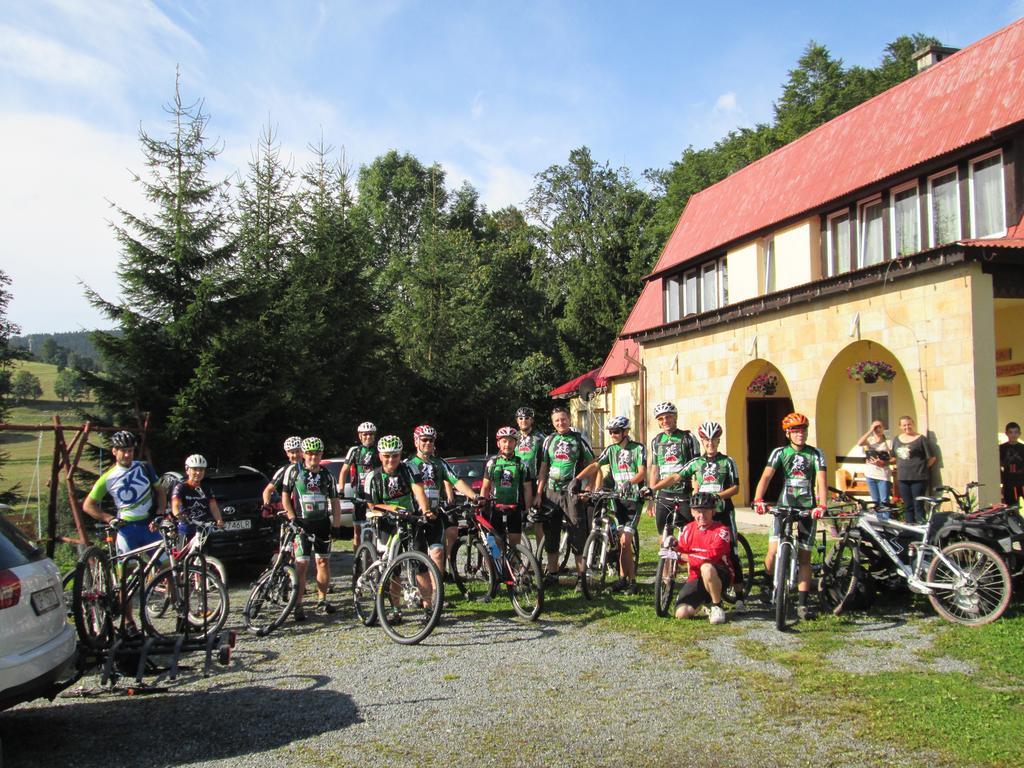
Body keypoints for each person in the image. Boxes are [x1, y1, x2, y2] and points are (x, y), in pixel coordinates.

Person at [651, 420, 744, 606]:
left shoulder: (727, 461)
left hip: (722, 511)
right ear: (702, 441)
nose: (711, 444)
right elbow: (676, 476)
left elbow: (735, 487)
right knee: (698, 550)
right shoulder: (696, 463)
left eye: (714, 440)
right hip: (704, 514)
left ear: (719, 441)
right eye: (707, 441)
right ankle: (699, 589)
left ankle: (740, 595)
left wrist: (718, 496)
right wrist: (653, 488)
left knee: (732, 551)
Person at [753, 412, 827, 621]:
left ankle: (803, 604)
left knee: (805, 557)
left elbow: (821, 481)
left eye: (802, 430)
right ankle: (768, 581)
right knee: (773, 550)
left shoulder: (816, 454)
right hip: (785, 505)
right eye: (795, 431)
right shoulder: (780, 452)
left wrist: (822, 504)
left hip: (807, 507)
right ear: (788, 433)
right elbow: (767, 476)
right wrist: (759, 499)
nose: (800, 434)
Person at [575, 416, 645, 593]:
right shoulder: (611, 450)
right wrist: (577, 479)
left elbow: (642, 472)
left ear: (625, 432)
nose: (613, 435)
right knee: (621, 542)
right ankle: (622, 579)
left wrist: (630, 482)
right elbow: (596, 465)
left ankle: (633, 582)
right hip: (617, 500)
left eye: (616, 432)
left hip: (633, 499)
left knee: (625, 541)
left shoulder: (638, 448)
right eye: (611, 432)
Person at [366, 435, 437, 601]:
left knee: (420, 566)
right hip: (386, 522)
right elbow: (372, 506)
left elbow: (418, 490)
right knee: (393, 568)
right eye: (387, 456)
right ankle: (395, 608)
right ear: (379, 455)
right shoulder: (373, 477)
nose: (391, 460)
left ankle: (428, 607)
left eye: (395, 456)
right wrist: (391, 509)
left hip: (410, 519)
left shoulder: (409, 468)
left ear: (400, 454)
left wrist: (425, 511)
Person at [280, 437, 342, 620]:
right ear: (303, 454)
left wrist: (336, 525)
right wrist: (292, 519)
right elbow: (285, 497)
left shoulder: (327, 474)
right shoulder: (293, 471)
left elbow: (335, 501)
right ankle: (297, 605)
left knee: (323, 562)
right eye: (310, 453)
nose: (313, 456)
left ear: (321, 454)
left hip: (322, 523)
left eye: (317, 453)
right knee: (301, 565)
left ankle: (322, 600)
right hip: (302, 523)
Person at [404, 424, 478, 575]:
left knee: (437, 553)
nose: (428, 443)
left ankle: (437, 595)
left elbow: (457, 482)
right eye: (424, 439)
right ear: (416, 441)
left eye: (431, 440)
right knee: (419, 557)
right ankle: (422, 593)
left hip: (434, 514)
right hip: (415, 516)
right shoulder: (408, 464)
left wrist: (475, 496)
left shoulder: (439, 463)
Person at [535, 405, 594, 590]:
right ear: (553, 423)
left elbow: (593, 464)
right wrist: (539, 493)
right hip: (551, 492)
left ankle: (581, 578)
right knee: (551, 535)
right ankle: (553, 575)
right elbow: (544, 467)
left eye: (563, 419)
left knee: (577, 533)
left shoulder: (579, 439)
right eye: (557, 420)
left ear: (569, 419)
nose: (561, 423)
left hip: (572, 492)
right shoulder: (549, 440)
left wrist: (589, 487)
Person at [83, 430, 167, 555]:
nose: (127, 455)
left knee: (167, 569)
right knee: (127, 570)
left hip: (150, 526)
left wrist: (160, 513)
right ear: (114, 451)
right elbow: (88, 506)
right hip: (126, 529)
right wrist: (109, 518)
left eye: (130, 450)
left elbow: (160, 491)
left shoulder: (144, 467)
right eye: (123, 451)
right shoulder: (107, 478)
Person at [672, 492, 733, 625]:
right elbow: (682, 559)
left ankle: (717, 605)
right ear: (692, 512)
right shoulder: (687, 529)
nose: (702, 515)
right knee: (681, 613)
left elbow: (710, 557)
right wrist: (674, 549)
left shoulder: (722, 530)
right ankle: (705, 602)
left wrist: (682, 556)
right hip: (696, 577)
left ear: (713, 511)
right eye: (698, 511)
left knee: (706, 567)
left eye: (706, 511)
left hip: (719, 573)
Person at [647, 402, 700, 535]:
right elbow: (655, 471)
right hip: (663, 495)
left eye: (668, 417)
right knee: (663, 535)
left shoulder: (688, 438)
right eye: (661, 418)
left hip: (684, 494)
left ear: (675, 417)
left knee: (687, 534)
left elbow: (697, 469)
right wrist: (651, 498)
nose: (665, 421)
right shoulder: (656, 441)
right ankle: (665, 556)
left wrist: (696, 494)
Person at [480, 427, 534, 548]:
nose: (507, 444)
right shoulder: (492, 463)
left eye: (511, 441)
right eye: (504, 441)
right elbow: (485, 486)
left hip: (515, 508)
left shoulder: (522, 464)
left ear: (516, 443)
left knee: (515, 545)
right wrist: (482, 504)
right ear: (499, 443)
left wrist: (527, 509)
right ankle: (499, 566)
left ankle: (514, 566)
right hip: (496, 509)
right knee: (498, 544)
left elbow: (527, 488)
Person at [339, 422, 381, 549]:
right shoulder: (355, 450)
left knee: (378, 529)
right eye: (365, 434)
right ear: (360, 436)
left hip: (375, 495)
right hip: (359, 494)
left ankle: (377, 557)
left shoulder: (379, 450)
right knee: (357, 530)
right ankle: (356, 561)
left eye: (371, 434)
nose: (368, 437)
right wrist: (341, 490)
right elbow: (344, 471)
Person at [893, 415, 936, 524]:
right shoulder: (896, 440)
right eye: (904, 425)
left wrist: (922, 469)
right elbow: (893, 457)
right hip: (903, 478)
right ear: (900, 426)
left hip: (918, 478)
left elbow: (932, 458)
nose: (907, 427)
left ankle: (921, 529)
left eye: (909, 424)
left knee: (918, 505)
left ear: (913, 424)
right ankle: (910, 530)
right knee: (908, 505)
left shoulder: (921, 439)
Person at [514, 406, 546, 550]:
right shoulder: (513, 437)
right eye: (520, 418)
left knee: (538, 520)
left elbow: (547, 461)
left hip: (534, 481)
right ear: (517, 421)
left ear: (532, 420)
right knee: (516, 519)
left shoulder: (540, 438)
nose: (523, 421)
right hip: (517, 482)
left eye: (527, 418)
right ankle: (518, 558)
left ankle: (539, 557)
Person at [170, 454, 225, 537]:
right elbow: (175, 506)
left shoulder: (206, 488)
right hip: (186, 531)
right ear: (187, 470)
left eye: (201, 470)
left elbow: (213, 507)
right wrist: (179, 516)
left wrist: (219, 520)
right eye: (195, 469)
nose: (198, 473)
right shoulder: (181, 487)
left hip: (204, 530)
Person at [857, 420, 894, 512]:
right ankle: (878, 524)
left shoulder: (888, 442)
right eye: (875, 427)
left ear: (883, 428)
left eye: (879, 427)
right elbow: (859, 443)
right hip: (870, 474)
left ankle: (886, 524)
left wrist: (884, 462)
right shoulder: (870, 440)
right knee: (875, 502)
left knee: (884, 501)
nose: (877, 429)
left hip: (883, 475)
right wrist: (870, 431)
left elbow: (894, 459)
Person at [262, 436, 304, 510]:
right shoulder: (284, 470)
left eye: (298, 451)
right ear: (287, 453)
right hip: (292, 510)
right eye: (292, 452)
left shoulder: (311, 467)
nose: (295, 455)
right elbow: (267, 491)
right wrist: (267, 505)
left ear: (303, 451)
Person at [999, 421, 1023, 506]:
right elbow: (998, 465)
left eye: (1016, 432)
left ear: (1019, 433)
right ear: (1006, 433)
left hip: (1022, 481)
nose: (1013, 435)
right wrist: (1001, 480)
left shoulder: (1022, 448)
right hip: (1008, 482)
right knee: (1012, 507)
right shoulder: (1001, 448)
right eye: (1011, 432)